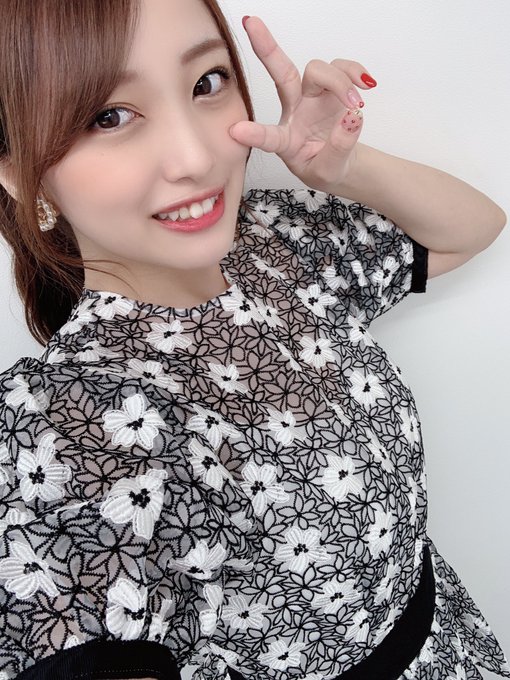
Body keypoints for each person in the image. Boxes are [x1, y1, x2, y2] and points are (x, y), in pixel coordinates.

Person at [0, 0, 507, 678]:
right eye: (109, 117)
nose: (195, 155)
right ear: (18, 174)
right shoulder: (69, 416)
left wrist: (341, 168)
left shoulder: (271, 240)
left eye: (206, 82)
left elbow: (473, 227)